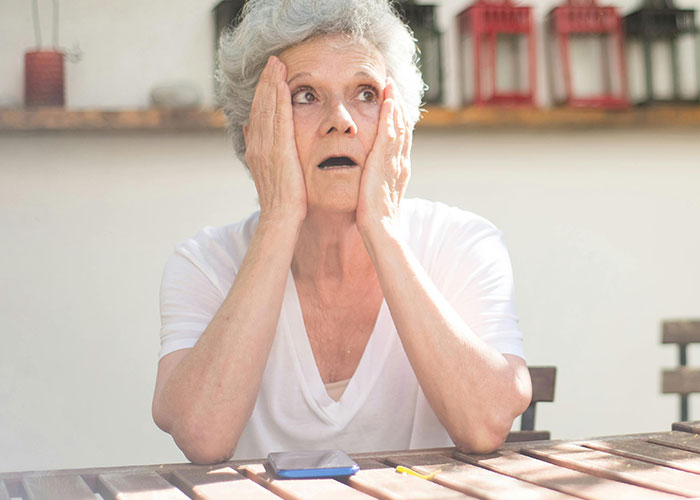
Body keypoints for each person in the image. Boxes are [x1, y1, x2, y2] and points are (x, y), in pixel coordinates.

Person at [152, 0, 532, 465]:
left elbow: (486, 421)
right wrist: (278, 219)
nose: (341, 119)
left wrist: (384, 229)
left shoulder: (463, 243)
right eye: (305, 96)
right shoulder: (204, 263)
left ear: (399, 127)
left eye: (366, 94)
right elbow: (200, 434)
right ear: (257, 135)